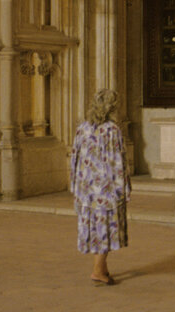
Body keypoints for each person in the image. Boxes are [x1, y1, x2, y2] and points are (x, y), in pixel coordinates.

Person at [70, 89, 130, 286]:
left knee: (94, 228)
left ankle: (102, 268)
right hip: (106, 189)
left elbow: (75, 158)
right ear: (112, 108)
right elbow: (118, 162)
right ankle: (97, 270)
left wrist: (75, 186)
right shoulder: (112, 130)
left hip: (86, 189)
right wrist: (123, 188)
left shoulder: (83, 128)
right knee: (105, 228)